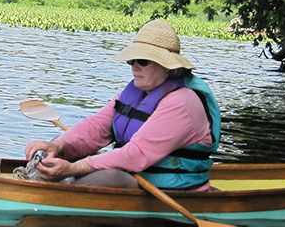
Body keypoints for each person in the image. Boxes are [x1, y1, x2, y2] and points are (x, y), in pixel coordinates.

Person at [24, 19, 221, 190]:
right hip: (137, 177)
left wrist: (76, 168)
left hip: (172, 190)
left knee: (110, 176)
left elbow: (135, 155)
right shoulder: (138, 92)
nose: (135, 66)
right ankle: (48, 182)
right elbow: (95, 127)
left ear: (168, 66)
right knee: (63, 150)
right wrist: (59, 145)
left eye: (143, 61)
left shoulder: (183, 103)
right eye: (131, 60)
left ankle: (50, 197)